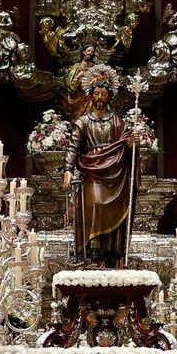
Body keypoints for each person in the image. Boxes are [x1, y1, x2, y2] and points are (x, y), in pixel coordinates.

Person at [63, 69, 133, 267]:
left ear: (109, 96)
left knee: (114, 207)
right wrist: (68, 169)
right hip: (92, 171)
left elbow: (127, 145)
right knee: (95, 204)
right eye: (97, 93)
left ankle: (109, 252)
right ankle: (92, 251)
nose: (100, 97)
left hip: (115, 173)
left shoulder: (117, 122)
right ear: (91, 96)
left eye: (104, 94)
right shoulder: (83, 122)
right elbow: (73, 147)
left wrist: (131, 145)